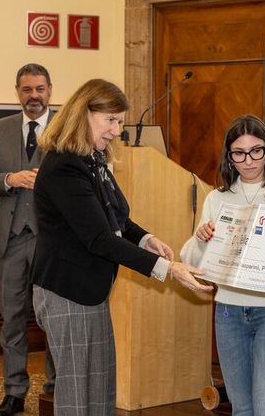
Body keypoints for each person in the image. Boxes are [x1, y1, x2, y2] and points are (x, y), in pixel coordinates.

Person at [31, 78, 210, 416]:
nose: (116, 130)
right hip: (66, 291)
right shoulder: (64, 165)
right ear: (84, 113)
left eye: (119, 122)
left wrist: (145, 238)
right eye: (110, 120)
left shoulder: (92, 159)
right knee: (76, 392)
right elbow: (98, 238)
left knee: (99, 387)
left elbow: (117, 217)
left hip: (90, 289)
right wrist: (169, 269)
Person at [180, 114, 265, 416]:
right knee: (242, 408)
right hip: (229, 311)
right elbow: (192, 263)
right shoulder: (216, 198)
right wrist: (201, 239)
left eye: (256, 151)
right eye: (239, 153)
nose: (249, 160)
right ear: (229, 157)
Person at [0, 63, 56, 416]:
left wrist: (47, 182)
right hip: (9, 241)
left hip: (51, 240)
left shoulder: (66, 130)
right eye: (27, 90)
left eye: (39, 89)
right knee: (12, 319)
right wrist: (11, 178)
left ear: (49, 90)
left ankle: (55, 388)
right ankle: (14, 392)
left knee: (52, 317)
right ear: (18, 92)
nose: (34, 96)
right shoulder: (1, 128)